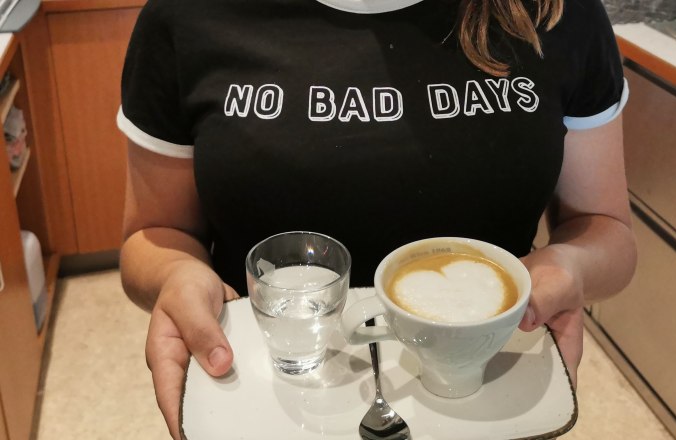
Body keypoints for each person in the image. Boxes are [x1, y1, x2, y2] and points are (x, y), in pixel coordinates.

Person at [117, 0, 637, 437]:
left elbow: (604, 228)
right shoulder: (186, 14)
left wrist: (570, 267)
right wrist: (176, 275)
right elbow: (154, 234)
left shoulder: (556, 12)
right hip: (270, 403)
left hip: (480, 405)